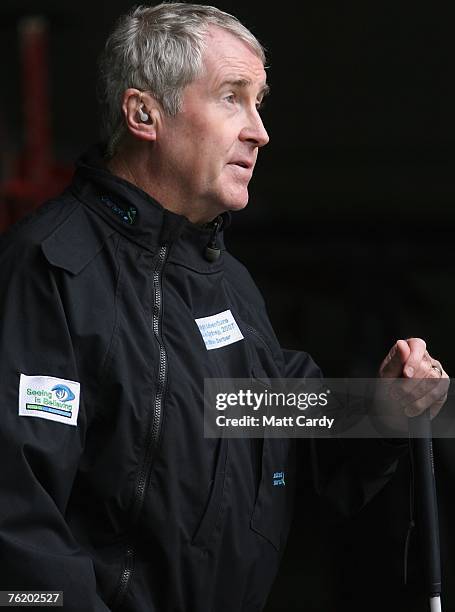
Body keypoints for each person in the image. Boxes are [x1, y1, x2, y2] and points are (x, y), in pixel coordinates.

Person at [0, 4, 449, 611]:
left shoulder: (226, 284)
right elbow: (18, 522)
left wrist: (387, 409)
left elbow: (276, 420)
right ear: (143, 114)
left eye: (259, 101)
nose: (259, 131)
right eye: (232, 97)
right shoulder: (50, 268)